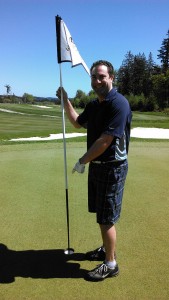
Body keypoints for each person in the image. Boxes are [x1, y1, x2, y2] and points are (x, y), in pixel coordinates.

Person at [56, 60, 132, 281]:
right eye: (94, 77)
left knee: (106, 218)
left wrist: (82, 160)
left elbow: (105, 141)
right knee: (102, 215)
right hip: (98, 166)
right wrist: (65, 101)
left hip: (112, 167)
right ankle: (106, 248)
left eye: (101, 77)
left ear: (111, 78)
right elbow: (78, 123)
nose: (97, 81)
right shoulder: (94, 104)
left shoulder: (119, 104)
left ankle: (110, 264)